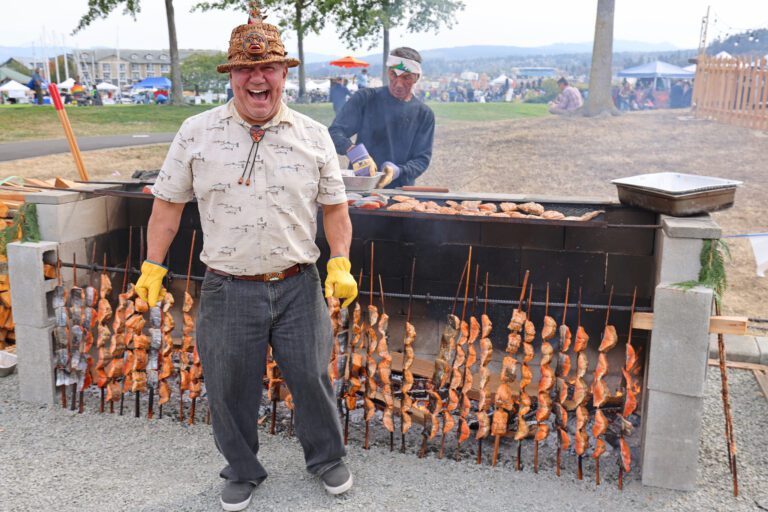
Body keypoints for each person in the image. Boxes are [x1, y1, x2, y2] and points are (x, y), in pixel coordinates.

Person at [134, 5, 357, 511]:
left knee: (312, 377)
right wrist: (153, 264)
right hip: (227, 285)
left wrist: (339, 261)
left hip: (299, 283)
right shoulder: (196, 132)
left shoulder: (313, 135)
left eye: (268, 69)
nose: (257, 78)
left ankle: (325, 457)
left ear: (284, 75)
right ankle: (241, 467)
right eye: (245, 70)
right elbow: (167, 206)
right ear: (231, 76)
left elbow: (336, 210)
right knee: (228, 383)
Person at [329, 47, 435, 189]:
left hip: (399, 190)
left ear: (417, 77)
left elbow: (422, 159)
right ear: (387, 72)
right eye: (393, 74)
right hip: (361, 185)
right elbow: (335, 132)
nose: (398, 83)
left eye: (406, 77)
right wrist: (354, 152)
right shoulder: (366, 98)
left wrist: (399, 171)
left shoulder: (424, 114)